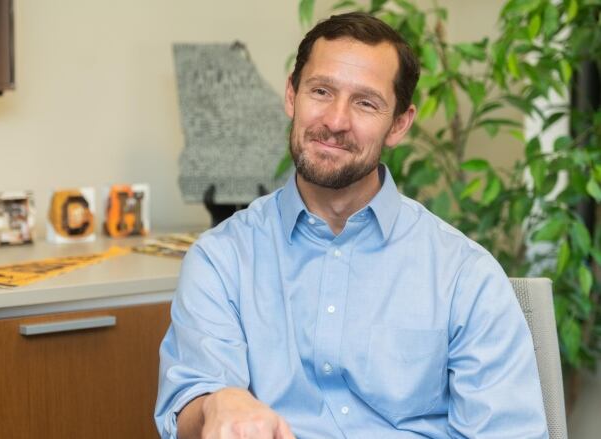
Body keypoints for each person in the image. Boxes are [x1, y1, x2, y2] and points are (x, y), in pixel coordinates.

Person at [155, 12, 548, 439]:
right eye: (321, 91)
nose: (336, 120)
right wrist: (216, 404)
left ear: (399, 124)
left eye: (365, 102)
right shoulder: (221, 259)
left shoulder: (464, 275)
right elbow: (189, 409)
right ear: (291, 95)